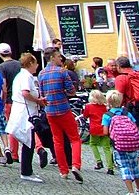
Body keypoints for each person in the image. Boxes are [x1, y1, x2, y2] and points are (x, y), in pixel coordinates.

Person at [38, 47, 83, 183]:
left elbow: (42, 94)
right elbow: (72, 91)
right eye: (58, 56)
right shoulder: (62, 72)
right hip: (63, 109)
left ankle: (63, 171)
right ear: (52, 57)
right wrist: (63, 91)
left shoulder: (41, 73)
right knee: (75, 139)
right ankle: (75, 165)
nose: (60, 59)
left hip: (50, 111)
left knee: (57, 140)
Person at [6, 52, 47, 183]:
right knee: (28, 142)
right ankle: (26, 171)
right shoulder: (26, 77)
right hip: (25, 112)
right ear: (30, 63)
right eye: (35, 63)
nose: (37, 66)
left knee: (28, 141)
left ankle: (27, 170)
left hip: (23, 110)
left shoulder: (22, 75)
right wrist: (38, 101)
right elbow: (25, 93)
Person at [104, 90, 139, 194]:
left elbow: (105, 132)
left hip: (119, 146)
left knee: (125, 168)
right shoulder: (127, 113)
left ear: (109, 103)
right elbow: (135, 127)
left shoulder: (107, 115)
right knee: (135, 167)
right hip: (133, 145)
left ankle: (130, 191)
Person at [0, 42, 21, 162]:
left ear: (0, 54)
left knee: (12, 126)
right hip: (22, 99)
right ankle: (39, 147)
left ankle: (14, 153)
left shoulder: (2, 67)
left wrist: (3, 100)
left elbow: (4, 86)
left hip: (10, 99)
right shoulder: (19, 64)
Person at [83, 89, 114, 174]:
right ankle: (110, 168)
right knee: (106, 148)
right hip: (104, 128)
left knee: (93, 144)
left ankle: (99, 161)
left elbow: (85, 116)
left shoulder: (89, 106)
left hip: (94, 129)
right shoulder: (105, 107)